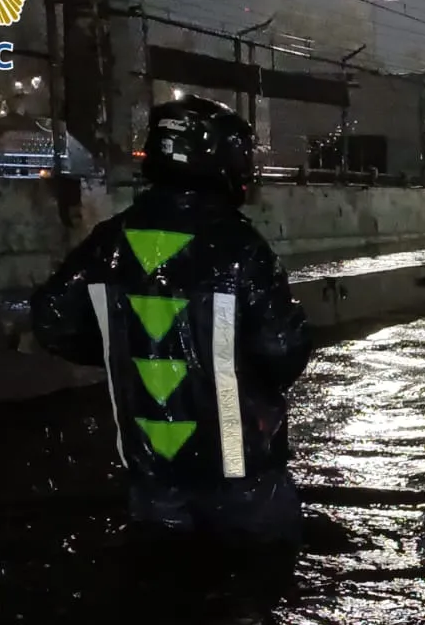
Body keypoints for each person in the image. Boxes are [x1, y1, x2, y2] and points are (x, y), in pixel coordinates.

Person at [29, 95, 312, 545]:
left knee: (164, 582)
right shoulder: (240, 247)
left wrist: (125, 351)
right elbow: (282, 348)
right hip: (239, 466)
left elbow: (53, 320)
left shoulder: (109, 242)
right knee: (263, 582)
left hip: (149, 465)